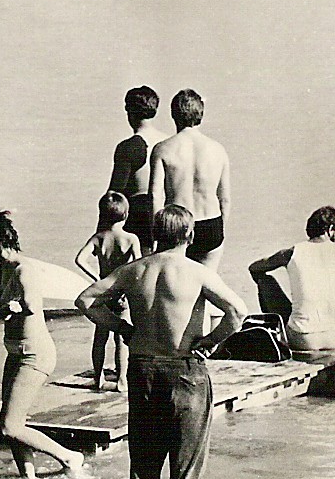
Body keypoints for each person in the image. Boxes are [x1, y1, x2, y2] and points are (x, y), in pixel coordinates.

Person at [76, 205, 248, 479]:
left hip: (143, 369)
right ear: (190, 236)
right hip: (184, 370)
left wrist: (122, 328)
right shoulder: (196, 271)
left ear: (155, 235)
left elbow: (85, 301)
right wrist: (210, 342)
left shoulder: (135, 270)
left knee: (144, 468)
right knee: (186, 470)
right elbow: (238, 311)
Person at [0, 208, 86, 479]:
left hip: (35, 355)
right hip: (15, 353)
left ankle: (69, 457)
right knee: (12, 424)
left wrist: (15, 306)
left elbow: (33, 305)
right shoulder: (2, 269)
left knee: (9, 426)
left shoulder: (24, 270)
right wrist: (5, 307)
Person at [247, 205, 335, 351]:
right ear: (330, 230)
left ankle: (278, 328)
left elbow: (254, 268)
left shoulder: (291, 253)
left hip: (302, 339)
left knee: (265, 280)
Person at [149, 89, 230, 270]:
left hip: (177, 225)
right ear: (201, 114)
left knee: (174, 281)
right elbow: (224, 199)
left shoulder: (162, 149)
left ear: (173, 115)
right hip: (210, 223)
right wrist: (220, 230)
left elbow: (155, 196)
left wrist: (156, 235)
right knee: (207, 281)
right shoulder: (218, 149)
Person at [74, 191, 141, 391]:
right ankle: (122, 380)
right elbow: (138, 266)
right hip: (122, 293)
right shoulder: (130, 239)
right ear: (126, 214)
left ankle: (98, 378)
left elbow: (80, 259)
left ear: (102, 215)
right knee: (121, 338)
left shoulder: (99, 238)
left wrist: (98, 279)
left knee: (100, 337)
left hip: (103, 294)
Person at [108, 86, 163, 255]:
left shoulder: (128, 147)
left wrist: (101, 233)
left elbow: (114, 194)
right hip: (168, 213)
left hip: (139, 219)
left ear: (129, 112)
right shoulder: (170, 141)